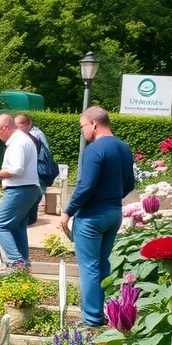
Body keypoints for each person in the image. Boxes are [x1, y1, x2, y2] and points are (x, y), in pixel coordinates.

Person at [61, 106, 135, 328]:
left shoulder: (94, 150)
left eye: (82, 126)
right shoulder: (124, 147)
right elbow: (130, 183)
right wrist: (112, 198)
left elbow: (86, 186)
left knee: (90, 267)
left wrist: (68, 212)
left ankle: (92, 319)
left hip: (92, 218)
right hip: (114, 214)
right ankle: (105, 313)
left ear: (94, 124)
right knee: (102, 264)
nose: (82, 131)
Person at [0, 113, 41, 268]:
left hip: (19, 190)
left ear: (5, 128)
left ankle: (16, 262)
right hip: (29, 189)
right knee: (17, 227)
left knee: (1, 227)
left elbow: (17, 169)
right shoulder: (24, 139)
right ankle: (24, 263)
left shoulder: (18, 143)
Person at [15, 113, 56, 224]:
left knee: (35, 193)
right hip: (42, 168)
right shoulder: (36, 133)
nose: (16, 127)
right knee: (37, 193)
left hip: (39, 168)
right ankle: (31, 217)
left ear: (27, 124)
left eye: (17, 124)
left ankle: (29, 218)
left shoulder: (32, 135)